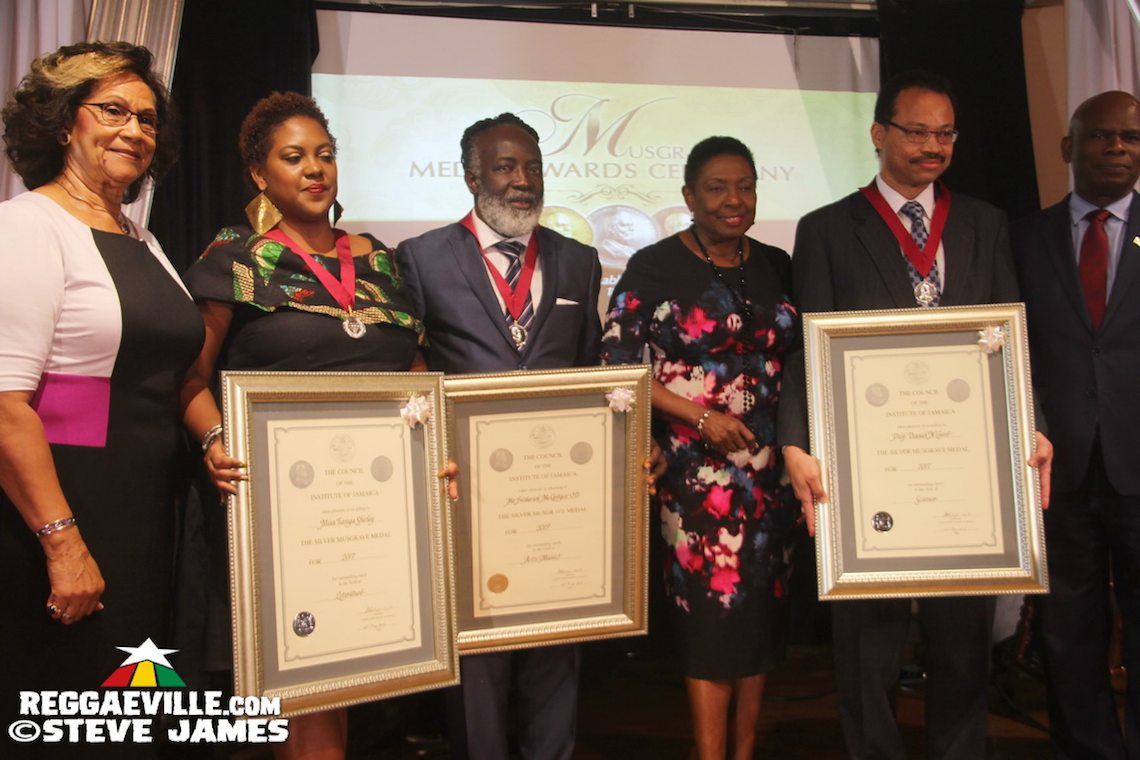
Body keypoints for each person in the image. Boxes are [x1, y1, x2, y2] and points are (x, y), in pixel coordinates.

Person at [777, 70, 1053, 759]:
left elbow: (1010, 339)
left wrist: (1033, 424)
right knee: (867, 644)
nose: (934, 145)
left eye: (946, 133)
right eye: (918, 131)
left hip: (963, 473)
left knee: (963, 643)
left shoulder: (986, 224)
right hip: (868, 470)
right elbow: (804, 349)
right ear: (879, 135)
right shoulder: (826, 229)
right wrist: (795, 445)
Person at [179, 92, 430, 759]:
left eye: (325, 155)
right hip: (277, 506)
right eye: (294, 158)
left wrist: (438, 443)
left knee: (345, 675)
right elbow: (189, 379)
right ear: (260, 175)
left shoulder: (380, 259)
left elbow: (414, 373)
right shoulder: (236, 256)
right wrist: (214, 440)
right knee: (302, 682)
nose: (315, 170)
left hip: (373, 503)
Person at [0, 42, 201, 755]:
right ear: (63, 123)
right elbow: (7, 407)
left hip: (147, 512)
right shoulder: (29, 226)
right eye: (113, 110)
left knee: (132, 719)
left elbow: (162, 380)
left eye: (147, 119)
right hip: (67, 515)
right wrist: (63, 544)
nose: (134, 130)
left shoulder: (139, 238)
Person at [396, 113, 601, 760]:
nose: (523, 181)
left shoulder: (579, 261)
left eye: (533, 167)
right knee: (477, 666)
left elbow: (592, 372)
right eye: (507, 167)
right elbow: (410, 367)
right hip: (469, 499)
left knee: (555, 652)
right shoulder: (422, 259)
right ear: (472, 176)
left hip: (555, 497)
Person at [599, 136, 797, 760]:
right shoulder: (653, 266)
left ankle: (744, 752)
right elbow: (616, 366)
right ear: (688, 196)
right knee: (711, 622)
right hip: (694, 475)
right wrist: (701, 417)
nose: (733, 200)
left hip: (772, 475)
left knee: (759, 618)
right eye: (716, 187)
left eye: (745, 186)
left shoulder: (775, 263)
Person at [1011, 90, 1140, 760]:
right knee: (1068, 626)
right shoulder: (1024, 236)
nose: (1116, 148)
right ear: (1069, 147)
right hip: (1055, 466)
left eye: (1130, 138)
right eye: (1100, 137)